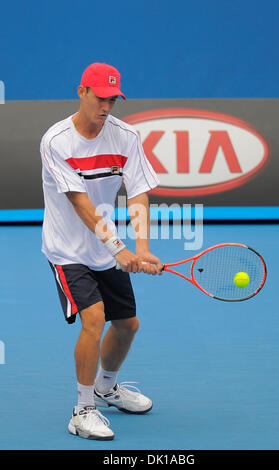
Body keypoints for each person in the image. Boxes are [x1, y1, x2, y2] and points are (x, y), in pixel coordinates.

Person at [40, 62, 163, 441]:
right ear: (82, 92)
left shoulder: (125, 137)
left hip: (104, 250)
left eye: (112, 99)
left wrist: (142, 248)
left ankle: (106, 388)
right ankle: (83, 409)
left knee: (127, 324)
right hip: (67, 249)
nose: (106, 106)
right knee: (93, 319)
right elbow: (80, 203)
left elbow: (138, 191)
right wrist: (119, 248)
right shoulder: (56, 141)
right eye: (99, 97)